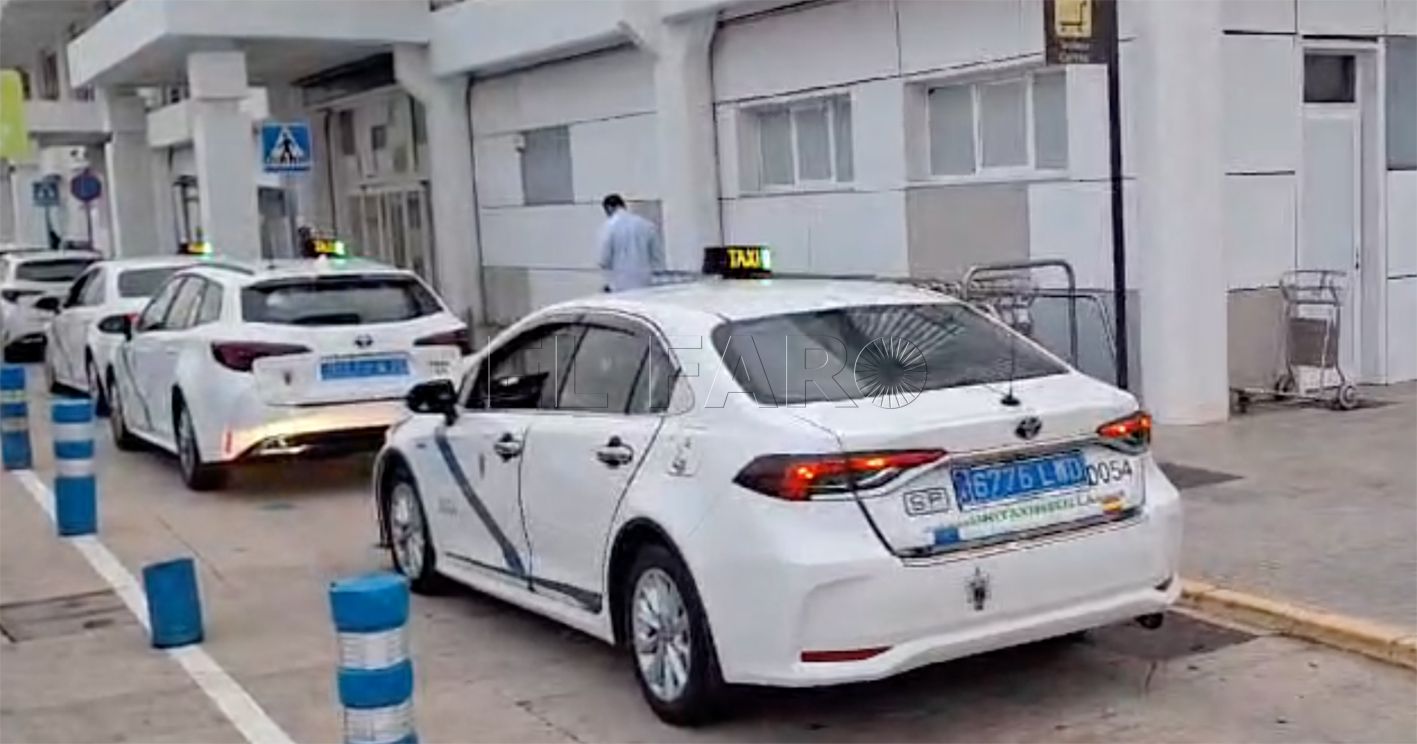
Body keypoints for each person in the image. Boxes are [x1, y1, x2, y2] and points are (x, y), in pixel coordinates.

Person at [597, 194, 663, 292]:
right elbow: (657, 257)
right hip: (644, 283)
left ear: (609, 208)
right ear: (623, 206)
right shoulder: (646, 225)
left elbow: (604, 259)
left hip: (620, 284)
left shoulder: (608, 226)